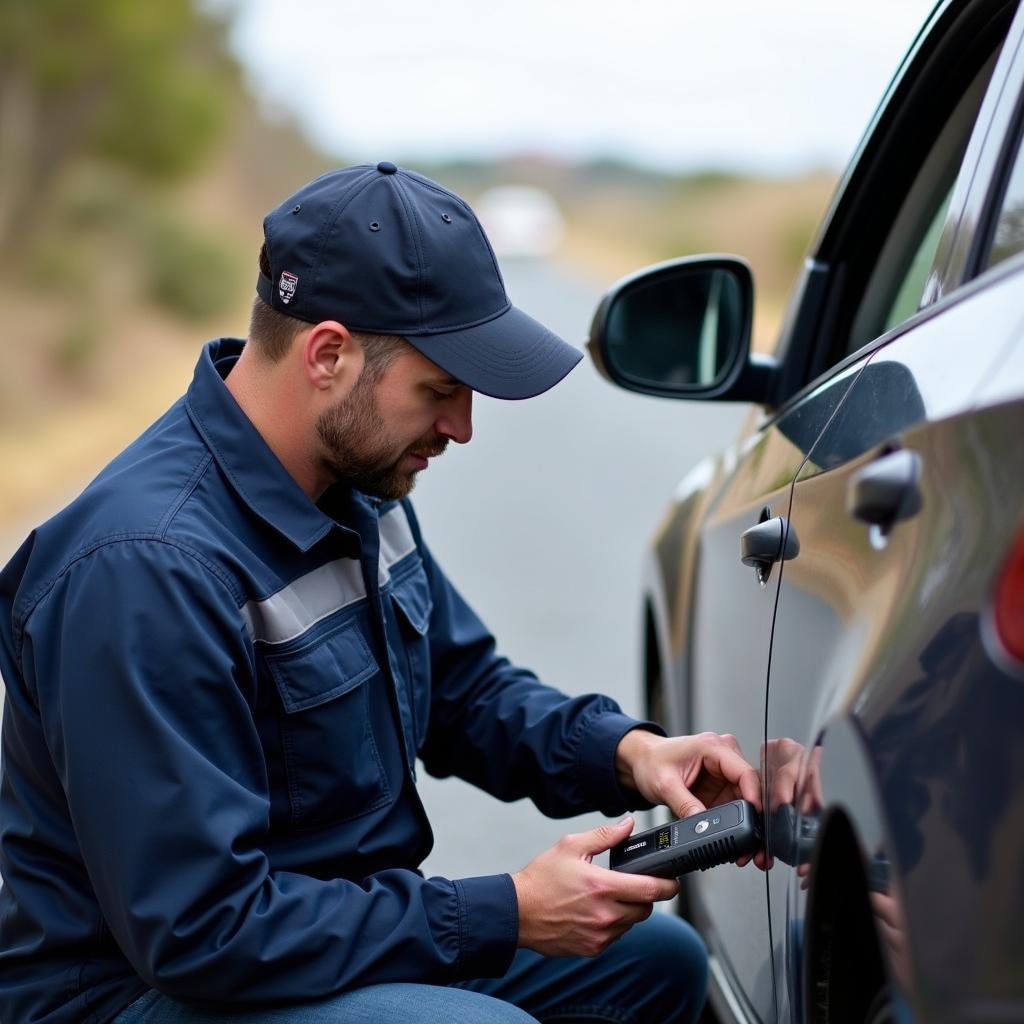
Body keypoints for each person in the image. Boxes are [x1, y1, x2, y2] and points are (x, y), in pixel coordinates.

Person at [0, 162, 761, 1024]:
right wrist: (507, 910)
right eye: (439, 390)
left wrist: (627, 754)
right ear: (329, 355)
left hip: (320, 943)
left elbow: (463, 689)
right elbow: (201, 930)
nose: (462, 428)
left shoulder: (356, 486)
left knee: (657, 962)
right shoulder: (144, 569)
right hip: (148, 992)